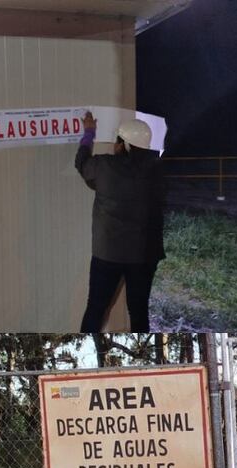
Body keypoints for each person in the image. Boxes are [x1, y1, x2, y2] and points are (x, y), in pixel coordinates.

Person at [75, 111, 166, 333]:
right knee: (138, 312)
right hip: (144, 255)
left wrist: (89, 132)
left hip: (108, 254)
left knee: (95, 309)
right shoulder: (158, 170)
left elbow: (81, 163)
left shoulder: (105, 166)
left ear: (123, 144)